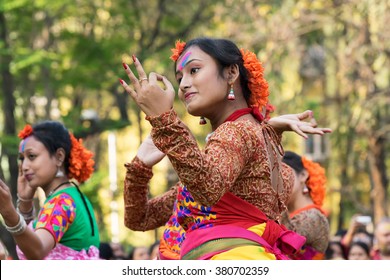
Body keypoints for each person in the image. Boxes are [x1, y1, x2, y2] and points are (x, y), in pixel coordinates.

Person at [120, 37, 331, 260]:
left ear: (231, 73)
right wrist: (139, 168)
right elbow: (139, 218)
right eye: (179, 78)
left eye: (194, 70)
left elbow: (208, 189)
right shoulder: (245, 140)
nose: (183, 85)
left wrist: (164, 119)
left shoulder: (237, 132)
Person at [0, 121, 100, 259]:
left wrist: (8, 212)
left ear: (59, 157)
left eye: (32, 156)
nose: (24, 166)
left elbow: (37, 251)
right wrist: (25, 201)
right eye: (22, 159)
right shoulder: (73, 195)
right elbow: (29, 241)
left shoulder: (61, 202)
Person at [281, 151, 330, 260]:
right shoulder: (288, 213)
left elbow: (280, 242)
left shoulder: (313, 217)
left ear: (303, 175)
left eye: (283, 173)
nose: (278, 181)